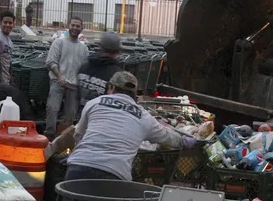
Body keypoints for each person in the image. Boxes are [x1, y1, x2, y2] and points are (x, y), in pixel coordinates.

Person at [66, 71, 196, 181]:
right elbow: (167, 137)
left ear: (111, 87)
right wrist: (183, 141)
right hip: (114, 174)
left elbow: (78, 135)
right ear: (135, 93)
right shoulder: (144, 116)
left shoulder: (94, 103)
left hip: (78, 166)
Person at [44, 17, 88, 139]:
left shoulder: (83, 48)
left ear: (81, 28)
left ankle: (62, 139)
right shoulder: (59, 42)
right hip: (57, 82)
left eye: (77, 26)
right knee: (52, 107)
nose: (75, 28)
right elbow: (51, 61)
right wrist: (59, 76)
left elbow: (84, 68)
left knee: (70, 115)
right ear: (68, 26)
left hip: (74, 86)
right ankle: (50, 135)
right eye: (73, 25)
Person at [77, 31, 124, 110]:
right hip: (101, 118)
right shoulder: (117, 75)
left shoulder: (84, 66)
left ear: (100, 48)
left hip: (81, 116)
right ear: (118, 51)